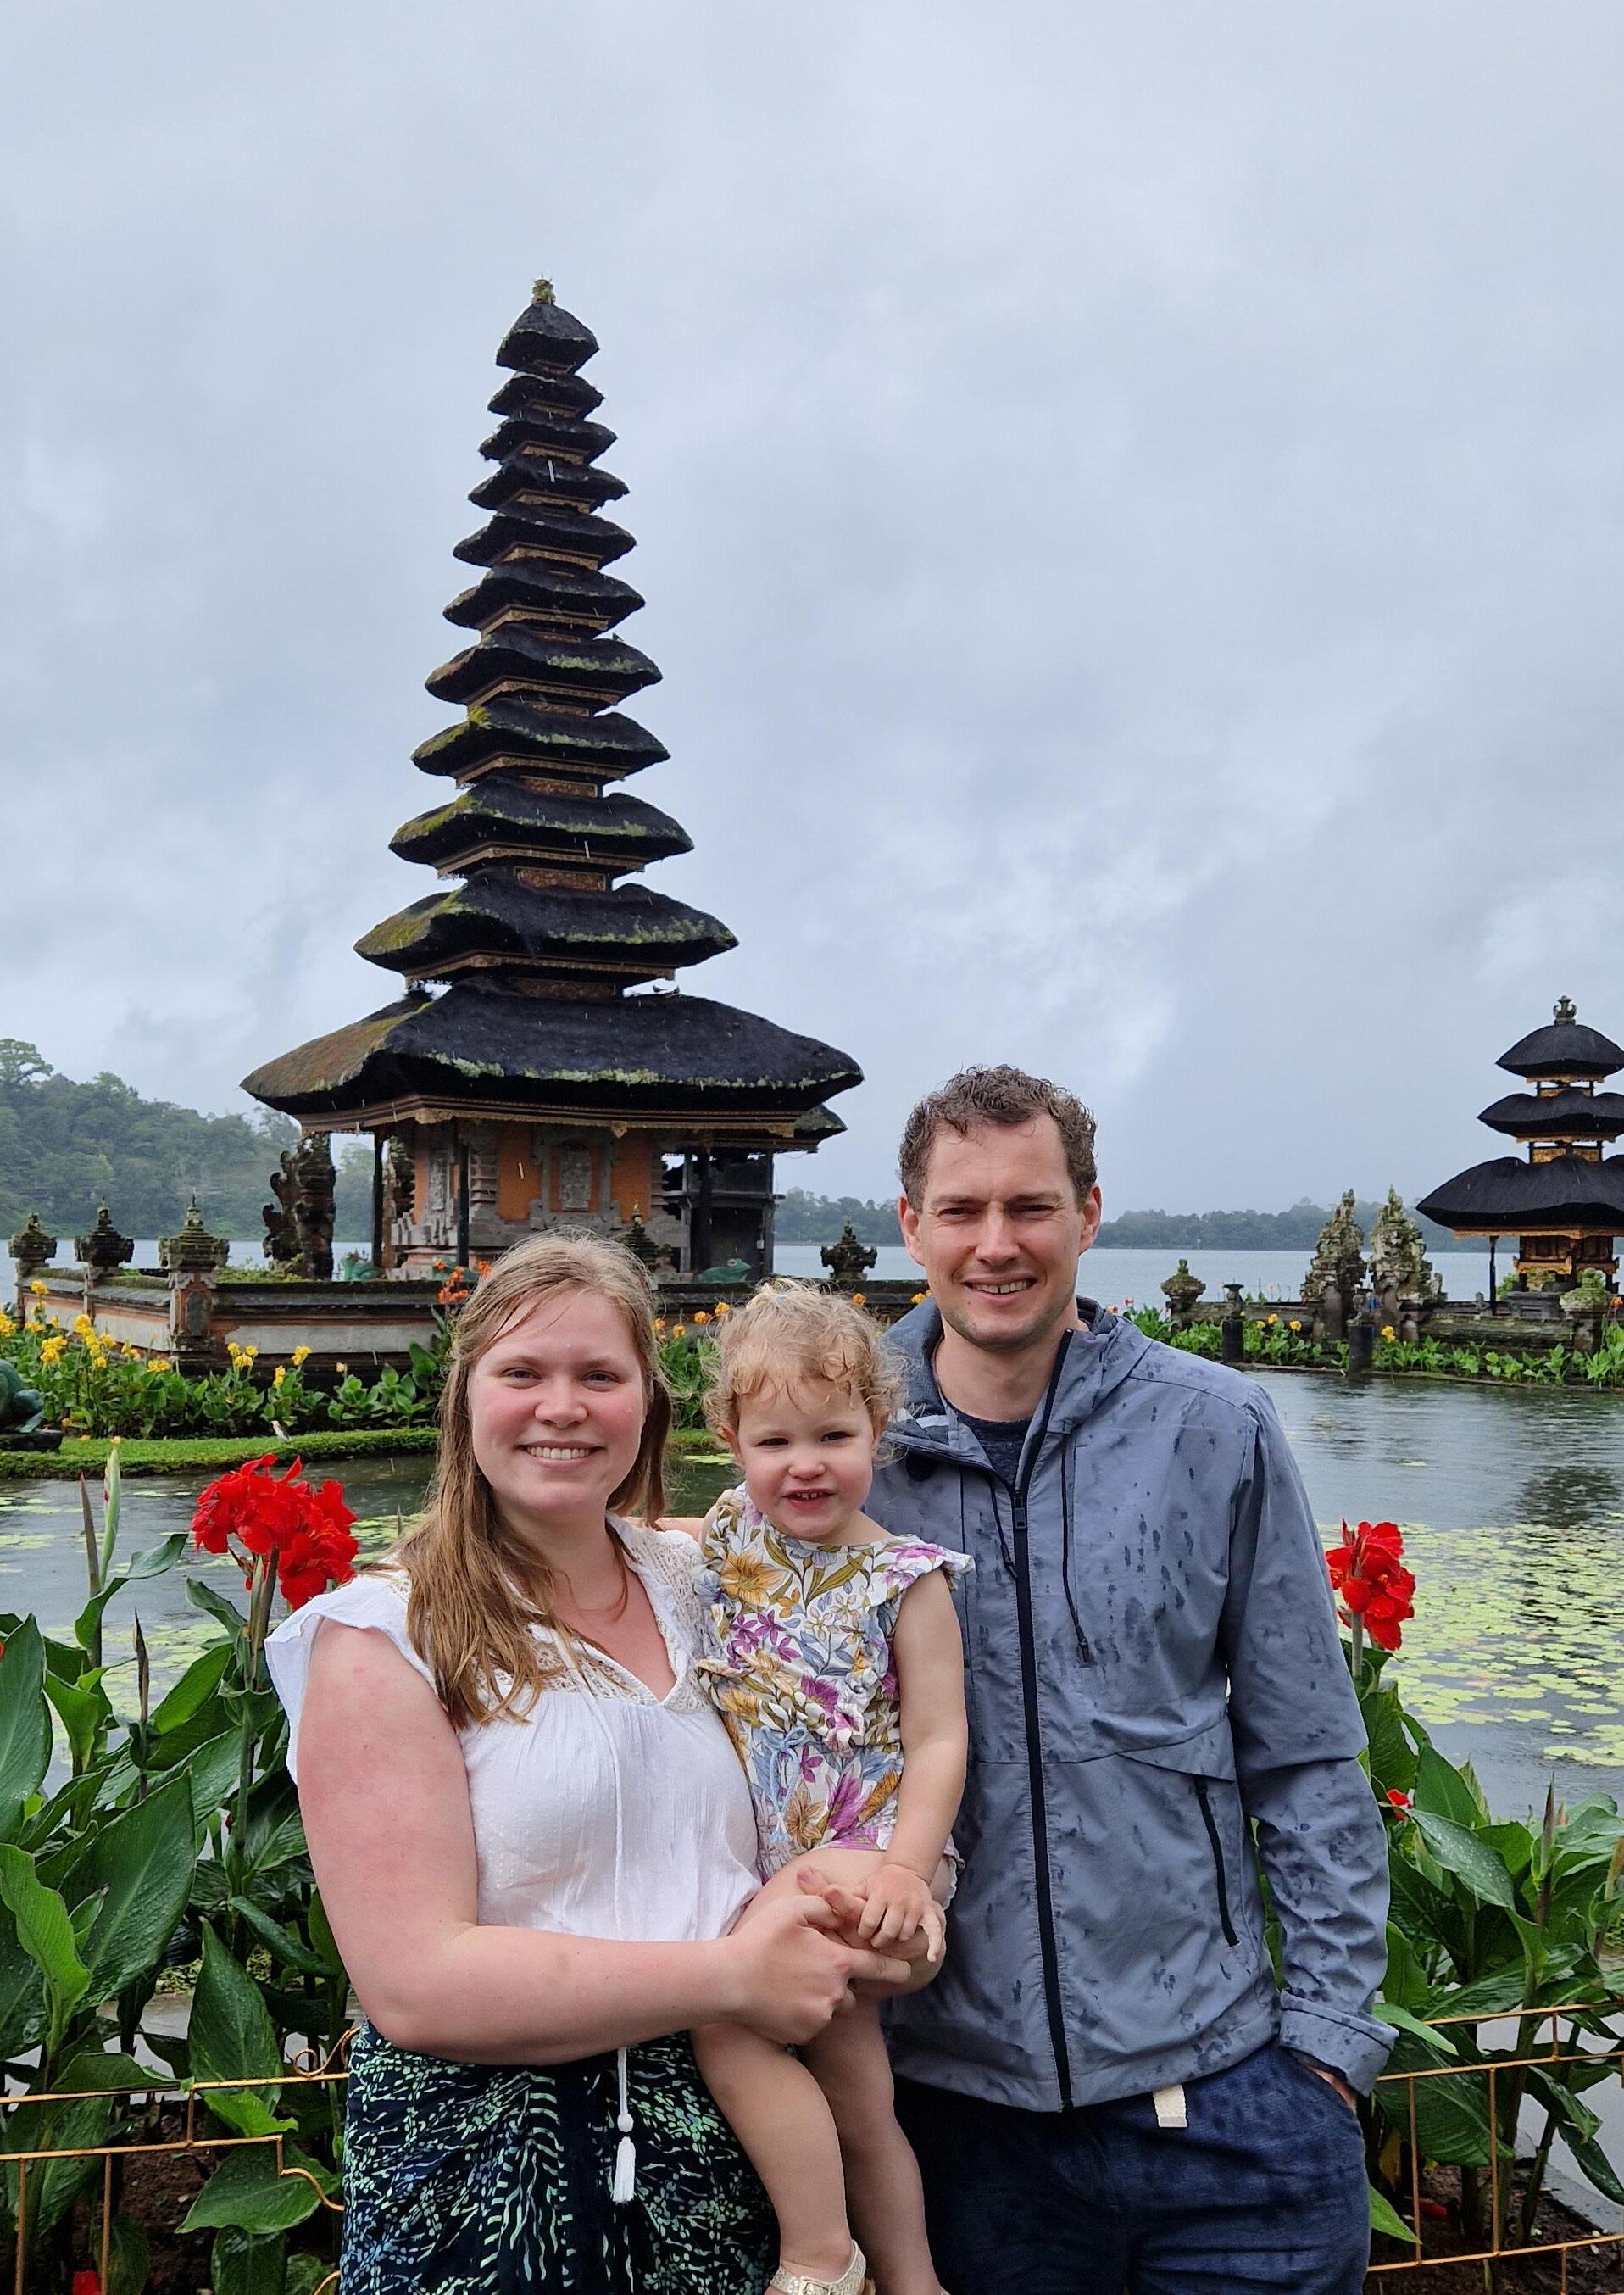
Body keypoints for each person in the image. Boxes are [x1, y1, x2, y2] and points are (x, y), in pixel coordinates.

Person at [264, 1234, 911, 2295]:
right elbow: (415, 1984)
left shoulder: (706, 1580)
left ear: (648, 1405)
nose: (560, 1408)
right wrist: (736, 1975)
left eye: (600, 1376)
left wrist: (880, 1916)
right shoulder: (385, 1636)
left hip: (742, 2164)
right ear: (465, 1397)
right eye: (522, 1372)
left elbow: (844, 1763)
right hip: (495, 2184)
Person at [865, 1066, 1394, 2295]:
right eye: (962, 1210)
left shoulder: (1213, 1426)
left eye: (1031, 1206)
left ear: (1090, 1214)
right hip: (952, 2115)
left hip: (1228, 2106)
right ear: (911, 1224)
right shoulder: (842, 1449)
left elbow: (1308, 1752)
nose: (997, 1245)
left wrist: (1326, 2052)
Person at [691, 1285, 970, 2295]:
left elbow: (939, 1738)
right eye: (774, 1441)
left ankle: (818, 2256)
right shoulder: (728, 1533)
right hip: (777, 1862)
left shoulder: (904, 1578)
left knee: (722, 2013)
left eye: (832, 1435)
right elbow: (638, 1541)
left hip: (872, 1848)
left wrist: (906, 1871)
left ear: (877, 1430)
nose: (804, 1463)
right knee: (859, 2099)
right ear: (731, 1442)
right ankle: (913, 2281)